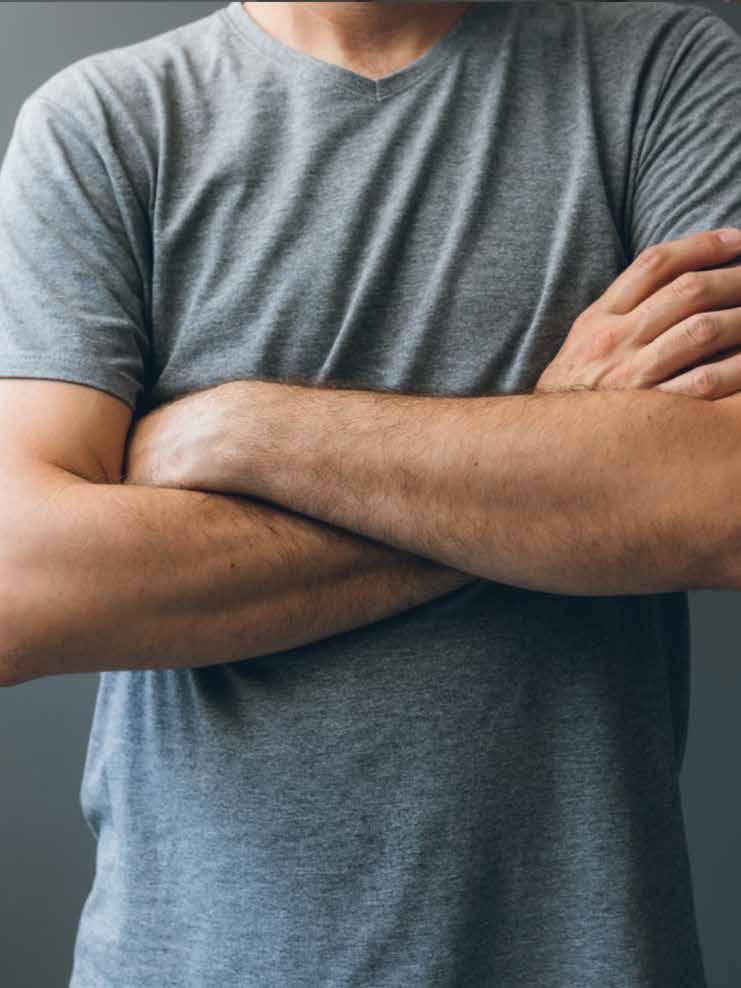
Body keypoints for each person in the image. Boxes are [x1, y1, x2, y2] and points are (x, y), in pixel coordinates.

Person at [1, 2, 740, 985]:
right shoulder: (103, 124)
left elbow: (720, 503)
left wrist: (246, 431)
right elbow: (23, 589)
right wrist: (551, 458)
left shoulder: (664, 71)